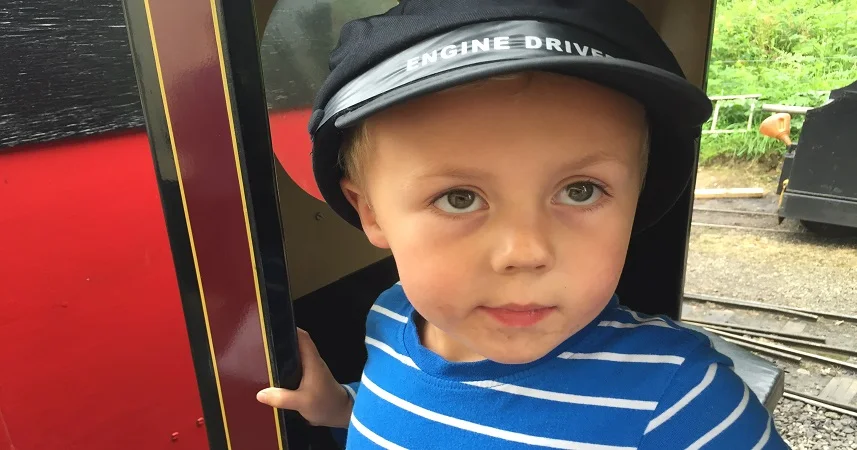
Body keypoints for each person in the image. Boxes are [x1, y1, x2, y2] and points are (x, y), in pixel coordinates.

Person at [257, 0, 789, 448]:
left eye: (580, 190)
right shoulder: (392, 318)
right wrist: (340, 406)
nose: (526, 251)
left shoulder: (681, 398)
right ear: (371, 212)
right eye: (459, 198)